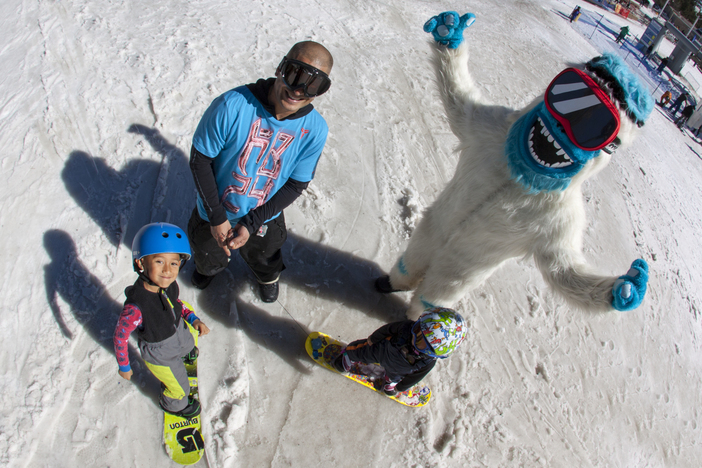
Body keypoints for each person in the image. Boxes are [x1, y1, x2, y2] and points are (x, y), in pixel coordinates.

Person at [188, 41, 334, 302]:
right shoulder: (231, 105)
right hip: (213, 210)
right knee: (208, 254)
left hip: (264, 215)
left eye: (313, 85)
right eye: (294, 74)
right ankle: (208, 269)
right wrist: (215, 216)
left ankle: (267, 277)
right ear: (280, 68)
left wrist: (252, 222)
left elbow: (295, 184)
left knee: (266, 256)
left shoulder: (315, 129)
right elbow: (200, 161)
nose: (298, 91)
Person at [114, 223, 210, 418]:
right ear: (141, 263)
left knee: (188, 342)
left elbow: (177, 305)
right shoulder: (136, 308)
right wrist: (124, 366)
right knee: (180, 389)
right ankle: (174, 405)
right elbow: (120, 337)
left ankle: (185, 353)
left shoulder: (169, 285)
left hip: (176, 331)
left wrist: (194, 320)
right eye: (159, 261)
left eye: (174, 263)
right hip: (160, 353)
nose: (167, 270)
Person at [332, 307, 467, 395]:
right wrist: (373, 338)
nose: (415, 334)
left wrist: (401, 387)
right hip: (380, 350)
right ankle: (348, 356)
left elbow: (415, 377)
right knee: (362, 351)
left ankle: (390, 383)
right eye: (418, 328)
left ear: (431, 352)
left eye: (421, 340)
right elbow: (387, 329)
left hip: (398, 370)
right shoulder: (406, 328)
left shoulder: (428, 362)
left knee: (394, 376)